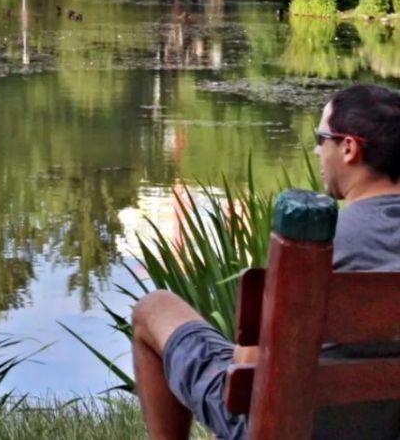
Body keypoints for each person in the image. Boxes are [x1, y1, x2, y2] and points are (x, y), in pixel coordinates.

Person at [132, 84, 400, 439]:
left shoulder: (324, 246)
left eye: (322, 138)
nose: (317, 150)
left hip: (289, 427)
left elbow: (248, 369)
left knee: (154, 307)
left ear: (349, 148)